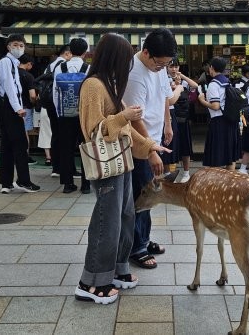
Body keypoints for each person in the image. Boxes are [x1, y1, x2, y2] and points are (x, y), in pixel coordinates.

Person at [75, 33, 170, 305]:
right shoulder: (93, 85)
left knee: (126, 215)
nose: (129, 63)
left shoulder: (110, 83)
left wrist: (151, 146)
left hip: (122, 162)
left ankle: (117, 269)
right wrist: (123, 116)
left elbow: (126, 131)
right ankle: (92, 282)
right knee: (108, 221)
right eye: (125, 57)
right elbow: (94, 130)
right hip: (107, 166)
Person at [123, 28, 177, 269]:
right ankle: (137, 247)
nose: (161, 68)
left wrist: (168, 123)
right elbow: (135, 118)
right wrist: (150, 150)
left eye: (166, 64)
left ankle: (144, 237)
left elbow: (165, 95)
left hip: (155, 136)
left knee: (150, 192)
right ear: (145, 53)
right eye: (159, 63)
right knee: (142, 194)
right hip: (139, 143)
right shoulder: (134, 74)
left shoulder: (159, 65)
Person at [0, 35, 39, 194]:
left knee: (7, 145)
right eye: (15, 44)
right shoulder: (6, 62)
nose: (18, 48)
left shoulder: (12, 63)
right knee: (20, 144)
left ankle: (6, 183)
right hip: (10, 107)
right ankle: (23, 180)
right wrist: (18, 108)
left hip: (7, 107)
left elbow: (15, 88)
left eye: (21, 45)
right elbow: (10, 87)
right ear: (8, 47)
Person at [53, 38, 90, 194]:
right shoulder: (88, 68)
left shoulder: (60, 67)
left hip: (64, 114)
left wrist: (59, 112)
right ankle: (86, 185)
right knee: (85, 148)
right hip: (83, 116)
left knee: (66, 148)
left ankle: (68, 184)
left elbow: (56, 92)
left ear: (70, 50)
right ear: (85, 52)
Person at [197, 56, 241, 171]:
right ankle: (230, 183)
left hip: (219, 122)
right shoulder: (227, 82)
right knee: (230, 156)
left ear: (211, 68)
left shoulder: (213, 84)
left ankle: (217, 184)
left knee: (216, 155)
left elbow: (215, 106)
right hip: (231, 120)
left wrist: (202, 101)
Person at [44, 45, 72, 175]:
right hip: (60, 105)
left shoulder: (50, 65)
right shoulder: (63, 65)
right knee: (65, 137)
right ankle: (66, 168)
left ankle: (56, 167)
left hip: (49, 104)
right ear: (67, 54)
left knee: (55, 135)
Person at [169, 60, 198, 183]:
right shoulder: (163, 79)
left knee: (185, 145)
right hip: (170, 117)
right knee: (170, 145)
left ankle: (186, 173)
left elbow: (195, 86)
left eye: (176, 66)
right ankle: (169, 173)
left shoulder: (184, 82)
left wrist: (182, 77)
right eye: (171, 66)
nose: (174, 69)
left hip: (183, 118)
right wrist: (174, 85)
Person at [17, 54, 37, 165]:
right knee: (24, 133)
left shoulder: (13, 74)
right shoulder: (28, 76)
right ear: (29, 64)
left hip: (14, 108)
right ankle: (25, 156)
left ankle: (16, 156)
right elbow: (32, 95)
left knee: (16, 132)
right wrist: (34, 102)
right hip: (25, 108)